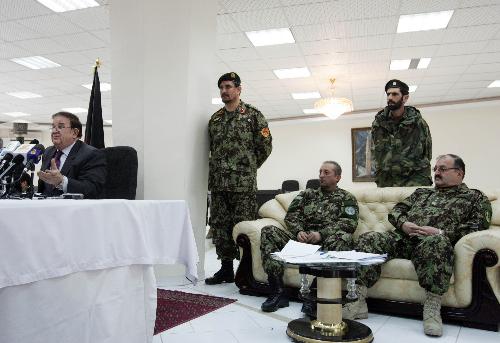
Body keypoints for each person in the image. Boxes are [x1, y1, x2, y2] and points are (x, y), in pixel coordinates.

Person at [344, 154, 492, 337]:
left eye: (442, 169)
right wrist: (404, 224)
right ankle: (358, 299)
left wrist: (440, 233)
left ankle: (432, 308)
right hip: (404, 238)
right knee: (368, 239)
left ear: (459, 173)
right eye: (435, 169)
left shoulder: (475, 197)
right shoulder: (422, 193)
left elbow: (477, 227)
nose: (437, 173)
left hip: (433, 243)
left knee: (437, 242)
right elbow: (397, 211)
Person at [259, 161, 359, 312]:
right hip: (301, 241)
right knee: (268, 231)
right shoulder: (307, 194)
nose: (321, 176)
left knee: (343, 238)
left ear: (337, 177)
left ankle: (314, 297)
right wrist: (298, 231)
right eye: (320, 172)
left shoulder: (347, 198)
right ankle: (278, 292)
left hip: (326, 243)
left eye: (326, 172)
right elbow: (291, 216)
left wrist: (321, 234)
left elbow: (349, 224)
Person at [205, 72, 273, 285]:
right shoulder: (215, 120)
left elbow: (265, 147)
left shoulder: (253, 116)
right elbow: (212, 150)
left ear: (238, 89)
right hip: (219, 185)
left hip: (243, 186)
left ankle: (248, 272)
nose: (224, 91)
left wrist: (248, 168)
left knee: (243, 228)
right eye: (221, 88)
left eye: (228, 86)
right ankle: (226, 270)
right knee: (221, 227)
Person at [371, 79, 432, 187]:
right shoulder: (379, 123)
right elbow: (375, 152)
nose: (390, 97)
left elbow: (427, 154)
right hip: (387, 181)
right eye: (388, 94)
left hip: (414, 181)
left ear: (405, 98)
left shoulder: (418, 123)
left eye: (395, 94)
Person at [37, 111, 106, 199]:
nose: (54, 131)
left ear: (74, 133)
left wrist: (62, 181)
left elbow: (92, 189)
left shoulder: (91, 154)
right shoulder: (48, 152)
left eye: (60, 126)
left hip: (74, 210)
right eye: (53, 127)